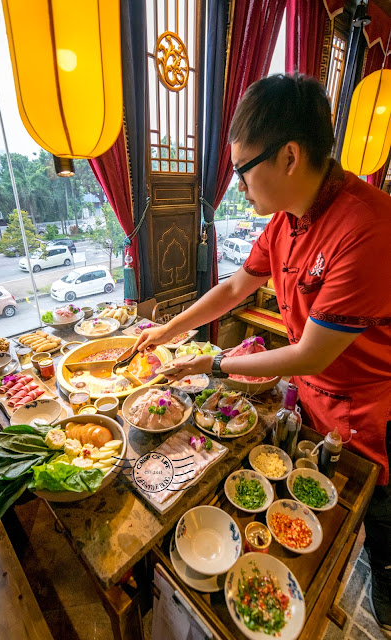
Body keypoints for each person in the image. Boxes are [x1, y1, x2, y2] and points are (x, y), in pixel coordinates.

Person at [135, 74, 391, 631]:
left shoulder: (368, 225)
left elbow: (309, 354)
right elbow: (232, 290)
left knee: (378, 533)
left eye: (244, 170)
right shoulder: (284, 222)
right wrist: (170, 330)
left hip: (370, 418)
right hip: (316, 406)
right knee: (311, 516)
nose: (240, 186)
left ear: (291, 156)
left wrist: (214, 362)